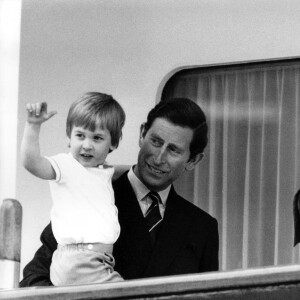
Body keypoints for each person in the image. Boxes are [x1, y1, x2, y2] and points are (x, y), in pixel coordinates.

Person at [20, 97, 219, 287]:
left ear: (193, 160)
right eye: (156, 142)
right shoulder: (87, 193)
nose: (159, 158)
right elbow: (33, 280)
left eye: (173, 150)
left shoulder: (202, 228)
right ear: (142, 135)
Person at [20, 92, 126, 285]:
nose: (87, 145)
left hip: (96, 261)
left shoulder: (101, 171)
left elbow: (120, 171)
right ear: (69, 137)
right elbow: (31, 163)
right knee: (135, 294)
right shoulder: (66, 166)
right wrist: (33, 126)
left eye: (97, 138)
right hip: (79, 262)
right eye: (80, 135)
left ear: (114, 143)